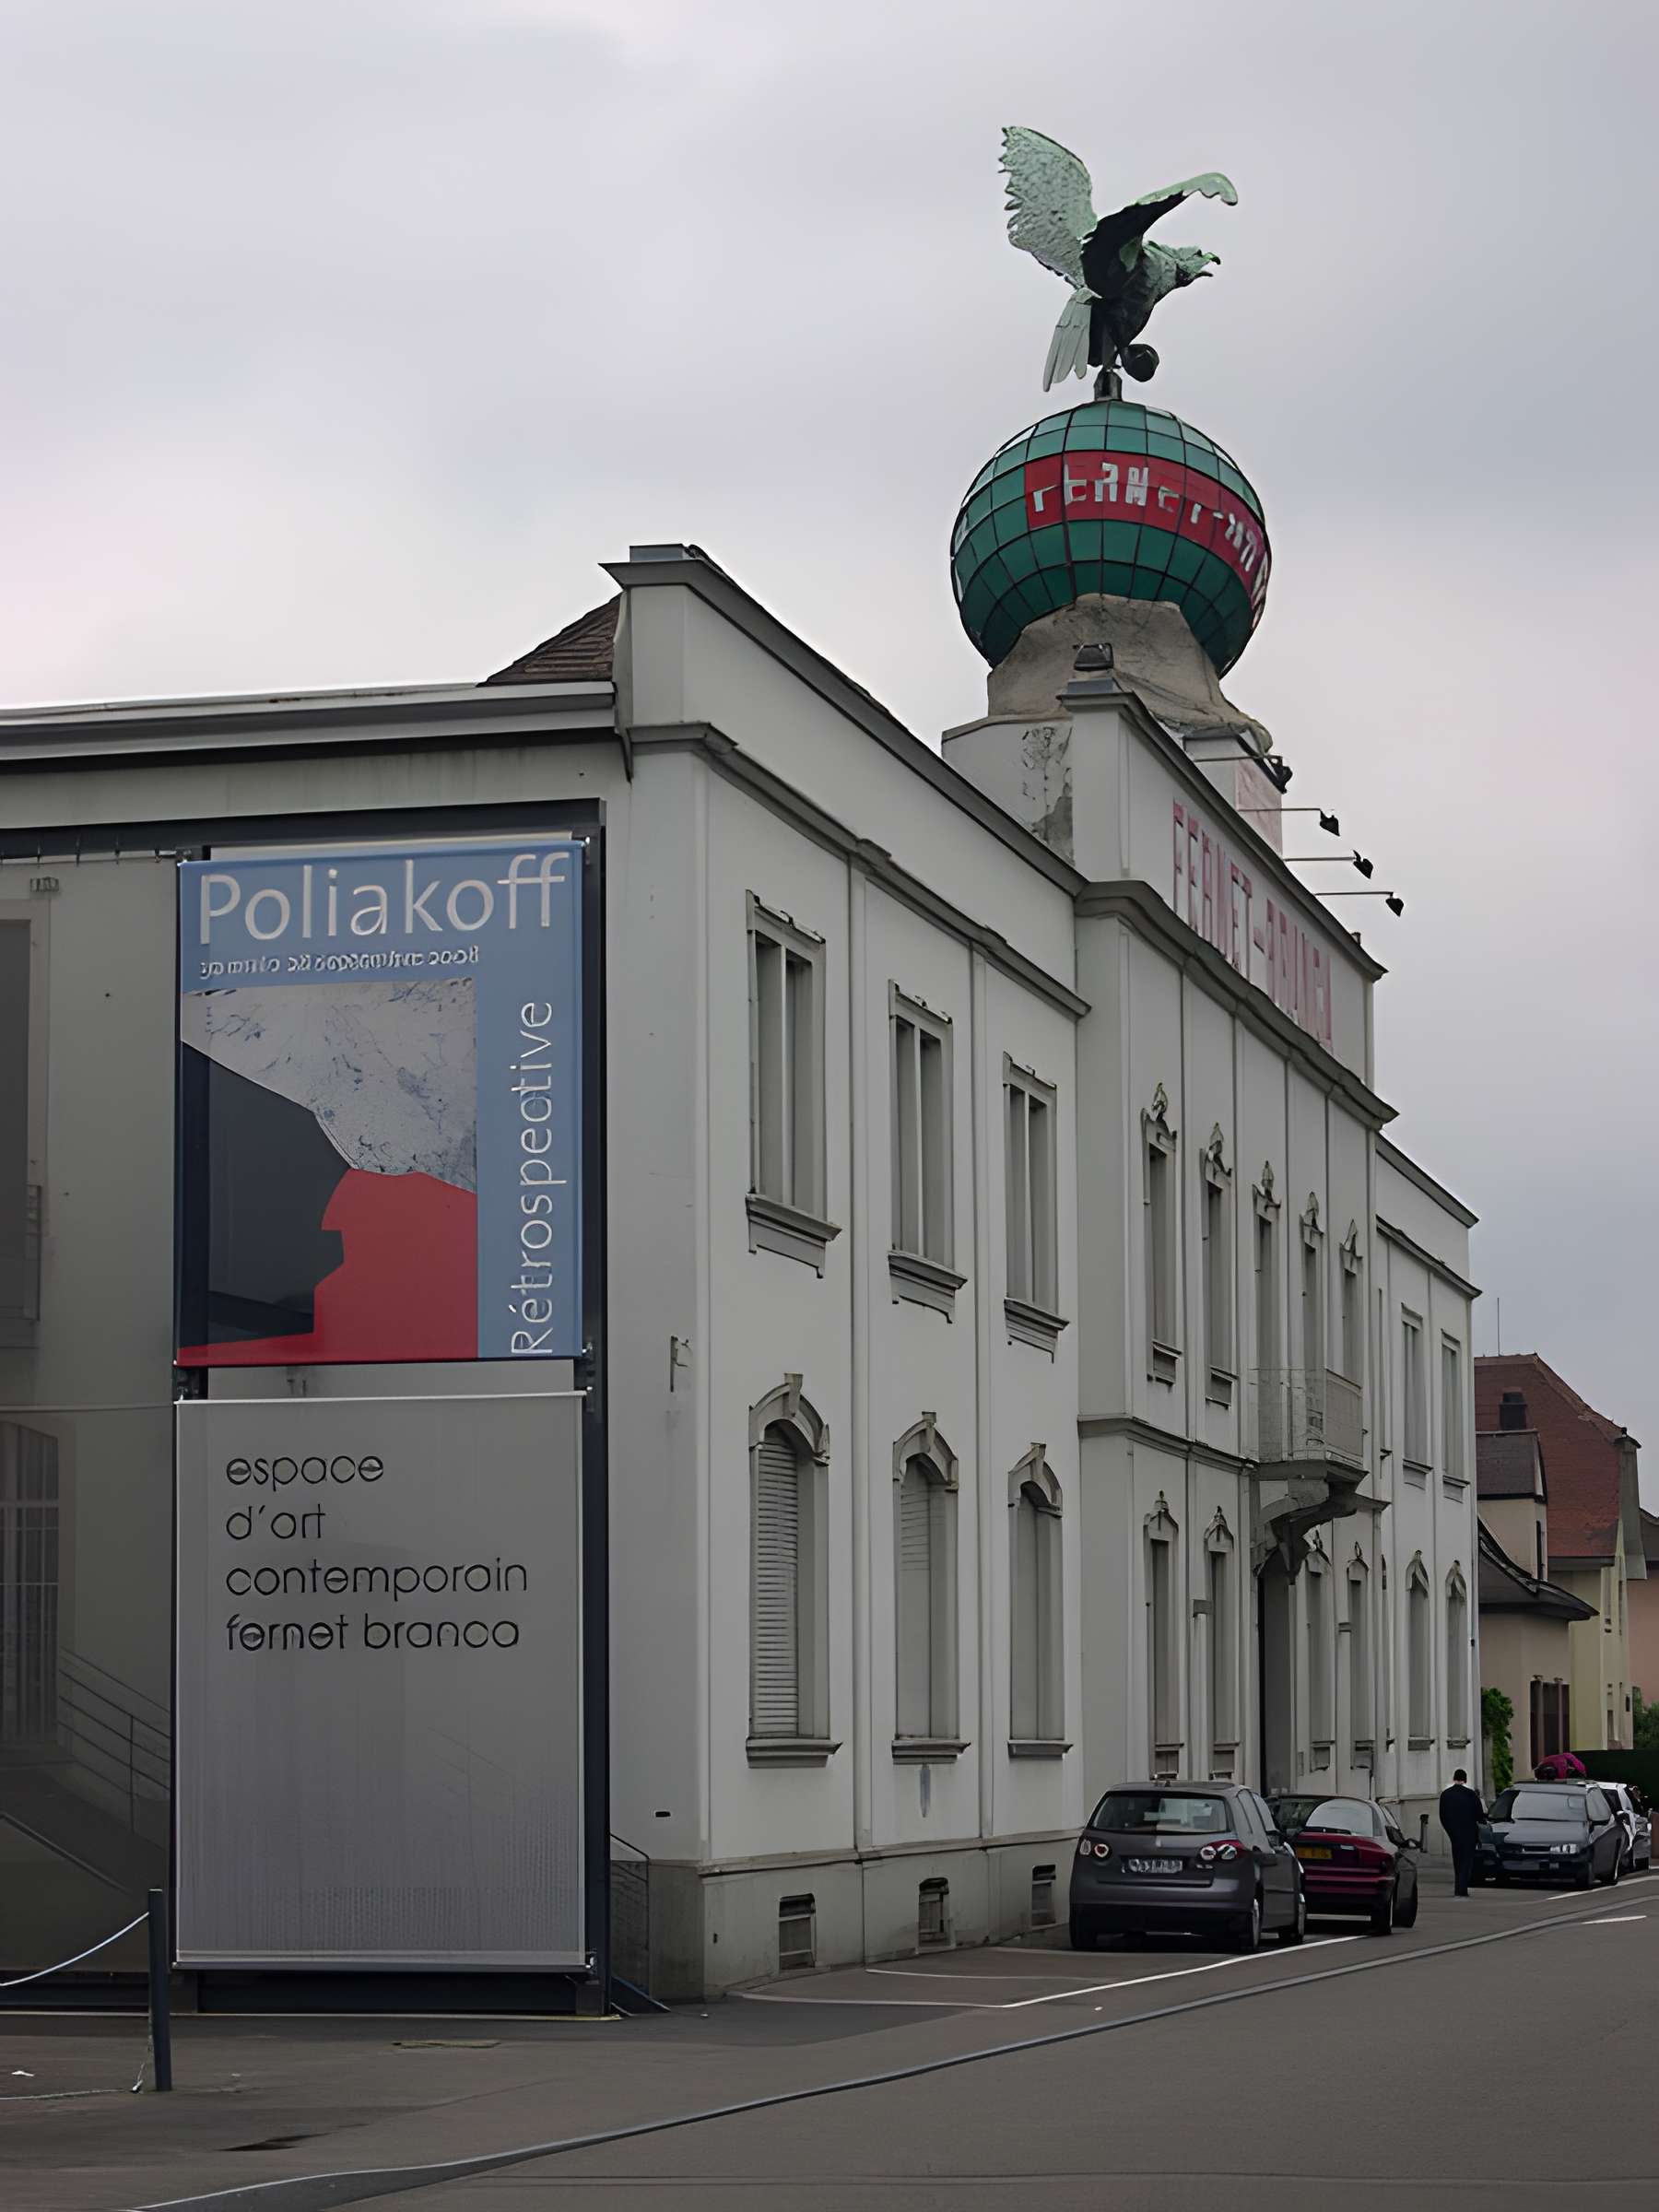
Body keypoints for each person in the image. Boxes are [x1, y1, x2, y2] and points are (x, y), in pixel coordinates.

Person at [1439, 1768, 1486, 1897]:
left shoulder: (1445, 1795)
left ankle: (1458, 1887)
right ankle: (1462, 1888)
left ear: (1454, 1778)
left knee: (1457, 1860)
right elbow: (1479, 1816)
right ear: (1465, 1779)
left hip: (1454, 1833)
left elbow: (1443, 1816)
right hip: (1469, 1833)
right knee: (1467, 1861)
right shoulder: (1471, 1795)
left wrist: (1450, 1831)